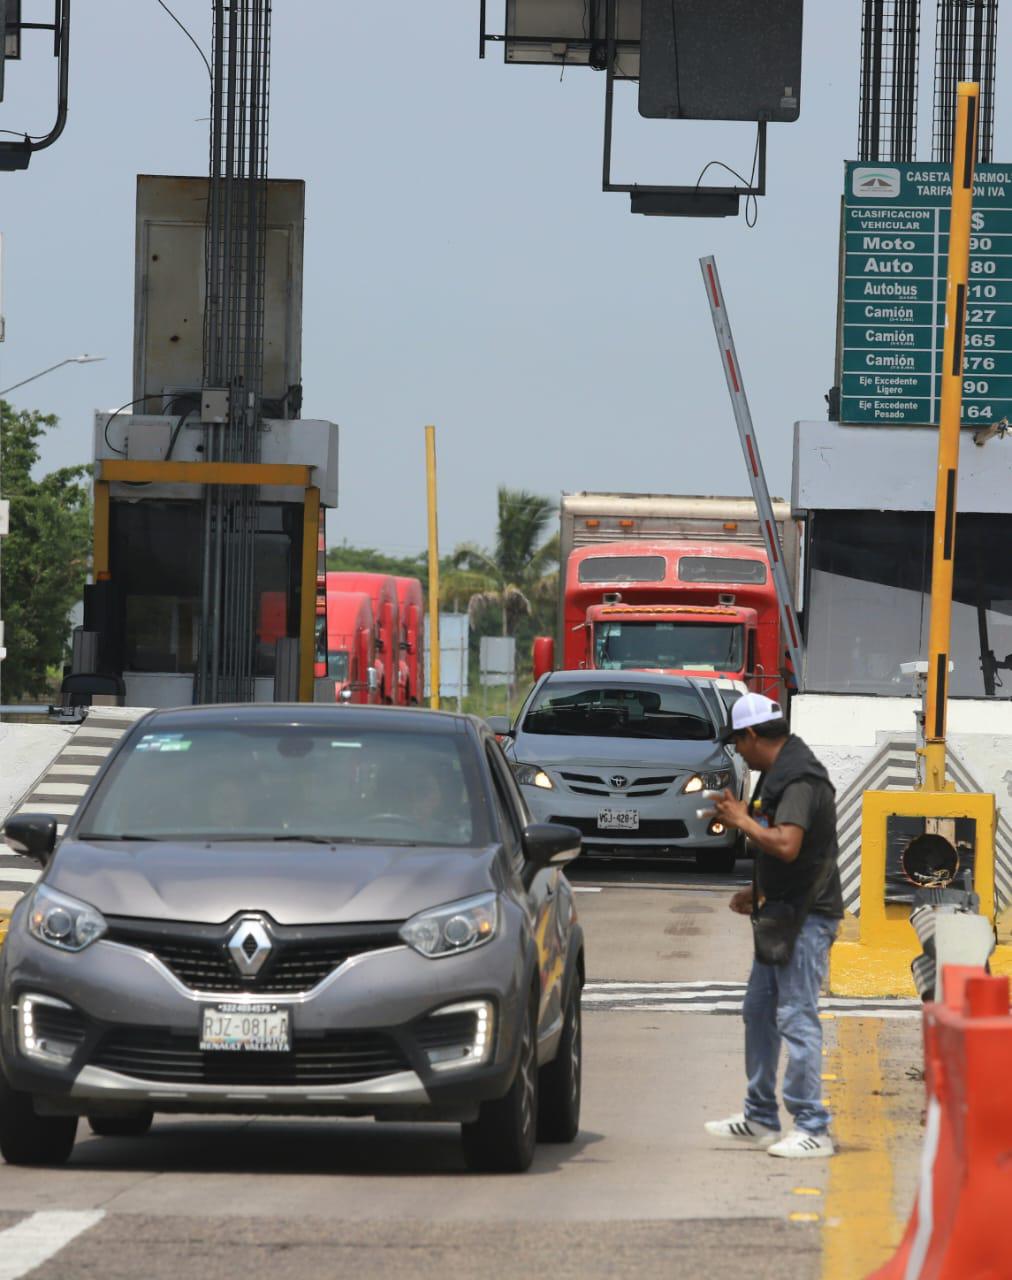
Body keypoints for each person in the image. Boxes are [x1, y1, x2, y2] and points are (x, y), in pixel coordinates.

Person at [703, 692, 843, 1159]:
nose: (737, 751)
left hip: (807, 919)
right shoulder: (776, 774)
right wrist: (756, 892)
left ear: (753, 736)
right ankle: (761, 1116)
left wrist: (742, 820)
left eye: (738, 742)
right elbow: (788, 856)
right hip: (782, 913)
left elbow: (787, 844)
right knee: (758, 1011)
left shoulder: (799, 779)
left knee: (795, 1016)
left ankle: (813, 1126)